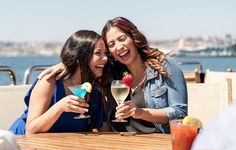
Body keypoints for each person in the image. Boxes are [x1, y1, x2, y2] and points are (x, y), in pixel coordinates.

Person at [38, 17, 187, 133]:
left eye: (122, 39)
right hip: (120, 144)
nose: (119, 47)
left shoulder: (164, 66)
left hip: (158, 142)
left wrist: (141, 112)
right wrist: (66, 64)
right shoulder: (111, 72)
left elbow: (180, 112)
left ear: (133, 37)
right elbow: (88, 62)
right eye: (111, 44)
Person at [9, 30, 108, 135]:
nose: (105, 58)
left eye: (105, 53)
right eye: (98, 53)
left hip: (60, 147)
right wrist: (59, 107)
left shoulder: (93, 90)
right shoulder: (49, 81)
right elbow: (31, 129)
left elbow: (101, 128)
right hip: (21, 143)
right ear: (80, 57)